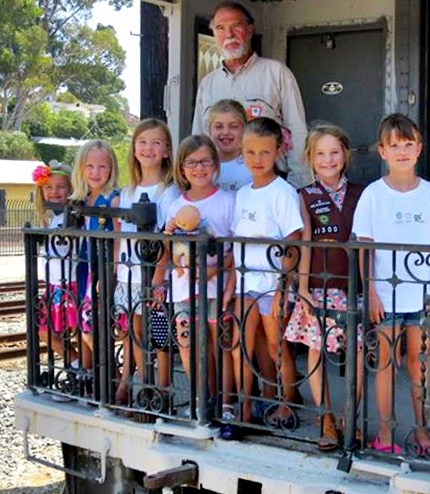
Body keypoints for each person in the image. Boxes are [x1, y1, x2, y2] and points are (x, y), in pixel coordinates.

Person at [352, 113, 430, 455]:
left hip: (421, 299)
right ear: (382, 151)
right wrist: (371, 293)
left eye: (408, 144)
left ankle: (423, 430)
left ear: (420, 148)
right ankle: (385, 431)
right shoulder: (372, 195)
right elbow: (365, 249)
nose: (401, 152)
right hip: (386, 296)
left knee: (419, 364)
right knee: (384, 363)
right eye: (394, 145)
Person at [283, 124, 365, 450]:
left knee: (356, 352)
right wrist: (302, 288)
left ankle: (350, 416)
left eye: (334, 152)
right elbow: (305, 244)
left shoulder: (363, 193)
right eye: (320, 154)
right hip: (318, 285)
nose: (328, 159)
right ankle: (326, 417)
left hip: (352, 287)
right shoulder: (304, 196)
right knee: (316, 351)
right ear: (310, 159)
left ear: (345, 155)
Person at [232, 117, 304, 427]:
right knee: (244, 345)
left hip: (270, 284)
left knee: (277, 346)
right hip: (244, 282)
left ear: (277, 151)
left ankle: (287, 404)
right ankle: (248, 404)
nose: (257, 159)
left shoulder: (282, 192)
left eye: (264, 152)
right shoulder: (243, 193)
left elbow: (293, 241)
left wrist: (282, 289)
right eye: (250, 152)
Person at [192, 1, 311, 187]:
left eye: (236, 26)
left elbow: (297, 131)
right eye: (220, 28)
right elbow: (198, 138)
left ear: (249, 29)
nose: (229, 34)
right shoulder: (208, 83)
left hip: (268, 185)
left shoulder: (276, 73)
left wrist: (300, 186)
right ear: (214, 33)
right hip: (218, 186)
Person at [155, 135, 235, 401]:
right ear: (181, 168)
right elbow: (167, 250)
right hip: (182, 288)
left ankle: (222, 400)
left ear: (215, 165)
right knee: (187, 344)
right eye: (191, 162)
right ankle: (201, 397)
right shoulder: (176, 205)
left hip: (216, 287)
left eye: (205, 161)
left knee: (216, 345)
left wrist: (215, 272)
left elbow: (235, 250)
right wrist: (159, 281)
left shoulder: (227, 202)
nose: (199, 168)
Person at [113, 119, 180, 404]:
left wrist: (158, 278)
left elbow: (168, 238)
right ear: (134, 148)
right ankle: (136, 383)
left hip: (154, 276)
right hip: (129, 274)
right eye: (142, 142)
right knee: (133, 330)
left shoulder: (169, 191)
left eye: (156, 143)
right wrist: (115, 273)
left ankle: (162, 389)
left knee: (159, 335)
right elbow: (118, 237)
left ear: (166, 150)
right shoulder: (126, 192)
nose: (148, 148)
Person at [71, 140, 120, 373]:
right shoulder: (82, 199)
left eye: (102, 167)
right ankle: (92, 374)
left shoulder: (113, 199)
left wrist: (112, 272)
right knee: (86, 324)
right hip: (85, 266)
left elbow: (119, 238)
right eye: (89, 166)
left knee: (92, 325)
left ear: (111, 169)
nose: (95, 172)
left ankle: (110, 373)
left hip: (103, 266)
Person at [32, 160, 78, 368]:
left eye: (61, 187)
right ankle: (76, 365)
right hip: (54, 285)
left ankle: (82, 368)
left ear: (71, 189)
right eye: (48, 187)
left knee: (77, 332)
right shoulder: (53, 218)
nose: (54, 192)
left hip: (71, 283)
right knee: (45, 330)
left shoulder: (73, 217)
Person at [207, 99, 253, 194]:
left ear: (244, 129)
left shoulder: (253, 165)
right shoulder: (204, 166)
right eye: (219, 127)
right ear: (210, 130)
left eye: (234, 126)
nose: (226, 132)